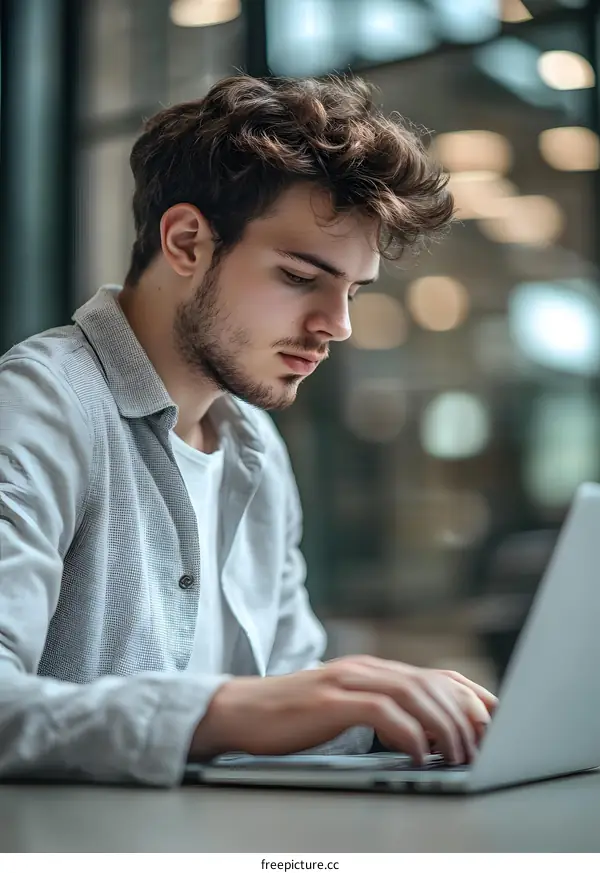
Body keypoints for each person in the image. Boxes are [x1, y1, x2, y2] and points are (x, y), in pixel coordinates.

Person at [0, 74, 496, 786]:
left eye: (352, 292)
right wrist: (223, 710)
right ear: (186, 241)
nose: (339, 325)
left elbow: (286, 706)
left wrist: (392, 708)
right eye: (301, 277)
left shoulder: (256, 449)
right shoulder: (41, 405)